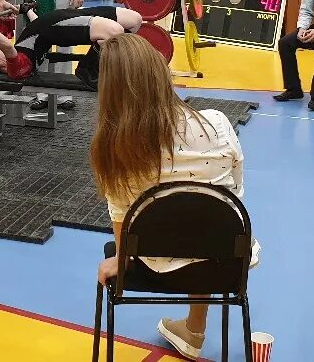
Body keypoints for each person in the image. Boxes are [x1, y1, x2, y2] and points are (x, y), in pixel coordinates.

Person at [89, 33, 259, 360]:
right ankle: (195, 330)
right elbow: (233, 197)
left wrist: (120, 262)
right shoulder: (218, 125)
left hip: (152, 266)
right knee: (203, 227)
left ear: (109, 91)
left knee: (178, 234)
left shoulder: (113, 152)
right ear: (160, 72)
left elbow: (123, 230)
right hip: (225, 262)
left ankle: (192, 332)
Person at [0, 5, 144, 87]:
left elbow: (38, 26)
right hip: (59, 26)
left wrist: (27, 11)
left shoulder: (22, 47)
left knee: (134, 20)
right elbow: (7, 47)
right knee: (115, 32)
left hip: (60, 17)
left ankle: (112, 68)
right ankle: (87, 69)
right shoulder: (17, 67)